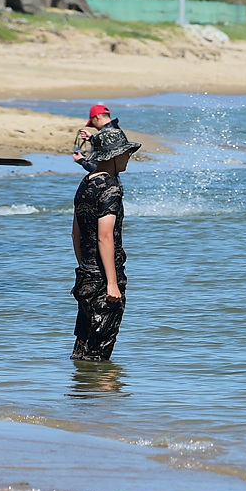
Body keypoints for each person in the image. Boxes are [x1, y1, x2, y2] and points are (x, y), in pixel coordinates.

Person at [70, 126, 140, 361]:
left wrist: (85, 268)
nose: (129, 157)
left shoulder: (85, 183)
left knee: (82, 352)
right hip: (103, 280)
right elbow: (105, 236)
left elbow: (75, 234)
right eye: (125, 153)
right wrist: (112, 283)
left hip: (85, 277)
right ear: (113, 156)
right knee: (100, 356)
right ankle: (105, 398)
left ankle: (80, 395)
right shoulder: (111, 189)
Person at [73, 103, 114, 172]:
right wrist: (92, 139)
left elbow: (99, 170)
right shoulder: (116, 132)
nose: (94, 126)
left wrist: (81, 160)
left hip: (104, 182)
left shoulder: (105, 136)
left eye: (93, 123)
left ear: (97, 117)